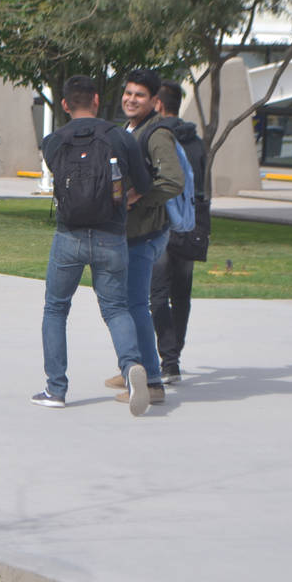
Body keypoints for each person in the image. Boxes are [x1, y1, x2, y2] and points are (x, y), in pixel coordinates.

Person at [33, 75, 155, 416]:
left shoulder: (52, 141)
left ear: (65, 104)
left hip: (68, 236)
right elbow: (145, 183)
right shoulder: (120, 136)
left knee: (56, 309)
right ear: (98, 101)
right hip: (111, 235)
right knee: (116, 309)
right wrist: (124, 201)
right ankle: (131, 367)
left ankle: (55, 389)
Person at [104, 69, 183, 407]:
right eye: (128, 93)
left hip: (145, 233)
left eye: (139, 95)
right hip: (130, 232)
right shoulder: (131, 128)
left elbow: (173, 181)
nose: (131, 99)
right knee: (126, 303)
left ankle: (151, 382)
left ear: (154, 101)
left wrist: (138, 198)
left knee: (135, 305)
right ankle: (130, 368)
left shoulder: (157, 133)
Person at [149, 80, 207, 384]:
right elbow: (203, 188)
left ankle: (168, 359)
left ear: (158, 103)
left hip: (162, 223)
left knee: (157, 294)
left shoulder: (159, 138)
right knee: (181, 293)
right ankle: (175, 356)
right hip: (191, 224)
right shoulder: (195, 141)